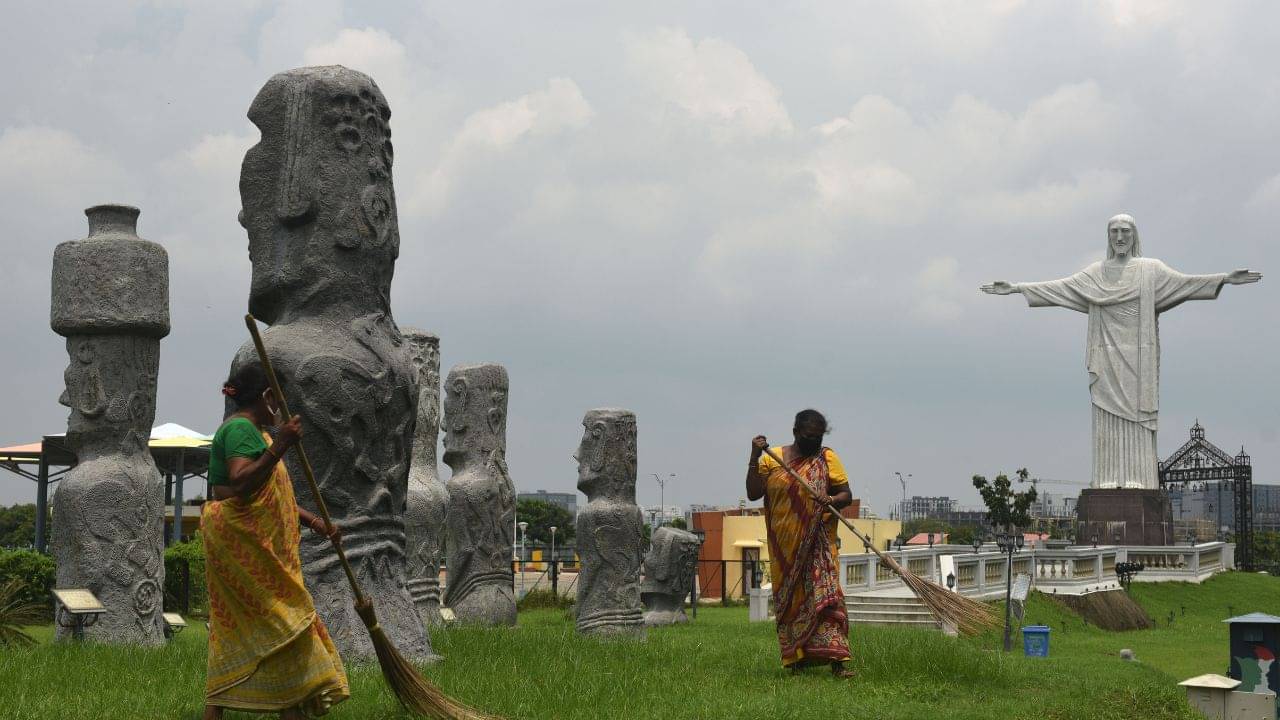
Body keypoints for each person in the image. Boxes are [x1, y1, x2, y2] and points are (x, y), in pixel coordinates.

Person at [201, 363, 350, 719]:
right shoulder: (240, 430)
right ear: (268, 397)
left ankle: (288, 710)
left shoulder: (260, 435)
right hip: (242, 544)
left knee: (277, 630)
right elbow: (240, 483)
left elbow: (271, 492)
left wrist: (314, 521)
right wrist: (281, 444)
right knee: (287, 623)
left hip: (260, 547)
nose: (280, 410)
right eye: (278, 400)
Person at [747, 409, 855, 678]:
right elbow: (753, 493)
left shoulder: (826, 458)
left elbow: (846, 494)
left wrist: (831, 500)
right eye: (809, 437)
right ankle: (795, 660)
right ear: (796, 433)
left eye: (818, 438)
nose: (813, 443)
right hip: (784, 549)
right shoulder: (773, 461)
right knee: (792, 602)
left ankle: (838, 663)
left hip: (819, 543)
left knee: (827, 598)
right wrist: (754, 456)